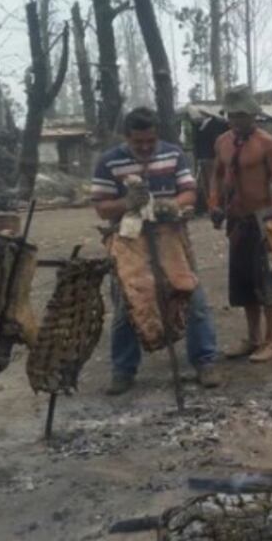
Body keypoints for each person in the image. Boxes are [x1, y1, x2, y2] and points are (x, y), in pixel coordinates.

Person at [91, 107, 220, 395]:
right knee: (129, 303)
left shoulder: (173, 154)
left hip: (169, 234)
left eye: (150, 141)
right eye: (139, 143)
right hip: (128, 240)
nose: (146, 148)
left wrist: (173, 204)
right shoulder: (109, 162)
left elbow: (189, 191)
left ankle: (205, 360)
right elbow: (101, 208)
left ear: (156, 135)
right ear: (127, 138)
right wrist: (127, 203)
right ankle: (123, 369)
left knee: (192, 295)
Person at [209, 86, 272, 363]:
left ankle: (271, 340)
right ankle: (253, 337)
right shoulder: (222, 142)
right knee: (243, 282)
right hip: (236, 220)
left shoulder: (267, 144)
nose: (236, 120)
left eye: (242, 115)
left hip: (261, 218)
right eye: (232, 115)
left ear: (253, 114)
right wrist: (214, 203)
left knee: (265, 281)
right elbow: (217, 175)